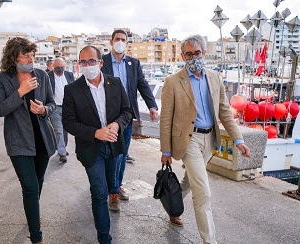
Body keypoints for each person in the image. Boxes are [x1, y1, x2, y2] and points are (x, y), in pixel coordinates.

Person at [159, 34, 251, 244]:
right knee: (203, 192)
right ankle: (209, 241)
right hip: (188, 141)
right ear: (183, 56)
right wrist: (165, 151)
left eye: (197, 53)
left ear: (204, 53)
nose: (194, 58)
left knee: (189, 182)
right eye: (189, 54)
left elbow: (225, 111)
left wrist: (239, 140)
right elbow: (165, 119)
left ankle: (172, 205)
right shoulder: (172, 82)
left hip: (210, 139)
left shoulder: (214, 77)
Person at [62, 46, 132, 244]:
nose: (87, 65)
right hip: (91, 150)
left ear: (100, 63)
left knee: (112, 186)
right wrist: (95, 133)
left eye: (91, 61)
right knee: (99, 192)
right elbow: (68, 123)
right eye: (83, 62)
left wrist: (117, 125)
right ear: (79, 65)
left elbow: (127, 111)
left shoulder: (115, 83)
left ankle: (114, 193)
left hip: (114, 146)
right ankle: (104, 239)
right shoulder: (72, 90)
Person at [0, 37, 56, 244]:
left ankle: (32, 215)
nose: (30, 59)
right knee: (29, 187)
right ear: (14, 58)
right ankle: (36, 236)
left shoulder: (42, 75)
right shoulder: (5, 78)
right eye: (25, 56)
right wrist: (21, 92)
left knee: (37, 184)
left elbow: (52, 104)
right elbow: (0, 109)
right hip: (18, 141)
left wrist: (43, 110)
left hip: (43, 140)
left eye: (32, 55)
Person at [101, 29, 158, 208]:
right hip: (107, 116)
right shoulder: (103, 62)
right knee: (111, 153)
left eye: (123, 39)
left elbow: (142, 85)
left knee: (122, 154)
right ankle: (111, 189)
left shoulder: (133, 63)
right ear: (111, 42)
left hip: (126, 115)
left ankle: (116, 186)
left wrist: (152, 106)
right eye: (117, 39)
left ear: (127, 43)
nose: (120, 42)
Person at [48, 57, 75, 163]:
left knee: (65, 130)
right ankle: (62, 153)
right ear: (53, 67)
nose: (60, 69)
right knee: (58, 130)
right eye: (58, 67)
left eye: (62, 67)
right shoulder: (48, 76)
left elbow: (74, 89)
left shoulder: (69, 75)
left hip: (67, 107)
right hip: (54, 107)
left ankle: (62, 147)